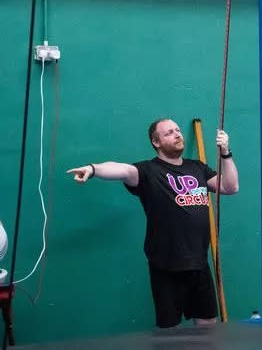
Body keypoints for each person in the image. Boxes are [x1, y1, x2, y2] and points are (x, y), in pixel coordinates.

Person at [66, 118, 239, 329]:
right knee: (169, 333)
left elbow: (230, 187)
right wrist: (93, 169)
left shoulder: (197, 167)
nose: (177, 134)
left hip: (199, 265)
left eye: (177, 130)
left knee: (209, 328)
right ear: (156, 142)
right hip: (165, 267)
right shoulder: (148, 171)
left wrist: (226, 152)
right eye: (169, 133)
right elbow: (121, 169)